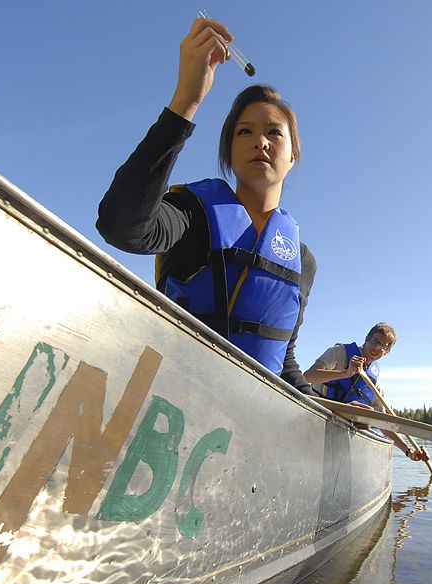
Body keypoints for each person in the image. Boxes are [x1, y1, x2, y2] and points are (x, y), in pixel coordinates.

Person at [96, 16, 316, 394]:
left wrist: (330, 411)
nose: (259, 142)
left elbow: (286, 360)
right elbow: (121, 225)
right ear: (228, 154)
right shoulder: (192, 214)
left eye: (273, 133)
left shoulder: (303, 261)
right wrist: (187, 100)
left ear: (293, 155)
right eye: (244, 132)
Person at [305, 323, 429, 461]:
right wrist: (345, 373)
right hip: (317, 419)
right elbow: (309, 376)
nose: (377, 347)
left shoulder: (375, 384)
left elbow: (383, 422)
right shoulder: (339, 352)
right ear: (367, 339)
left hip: (338, 436)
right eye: (375, 341)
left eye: (384, 346)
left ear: (387, 352)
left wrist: (409, 451)